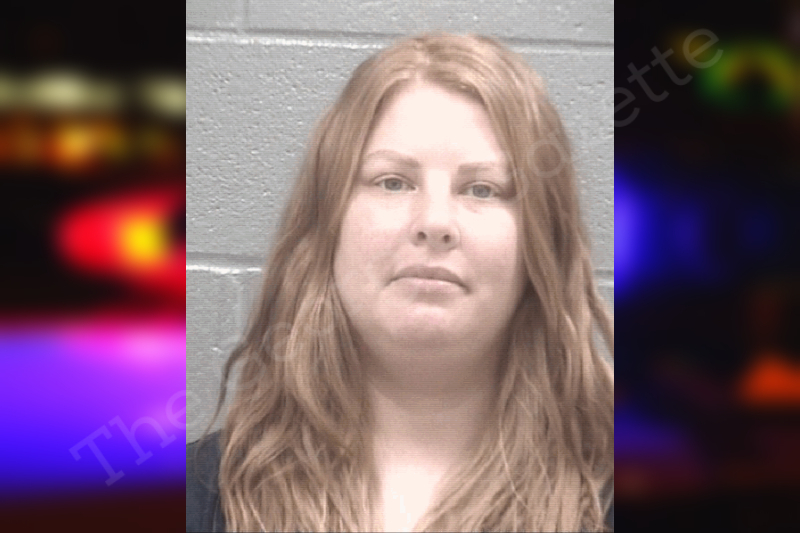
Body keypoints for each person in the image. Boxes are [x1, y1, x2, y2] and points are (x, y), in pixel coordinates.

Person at [187, 32, 614, 532]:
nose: (435, 222)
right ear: (327, 225)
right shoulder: (194, 497)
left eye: (482, 189)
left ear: (542, 240)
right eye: (392, 182)